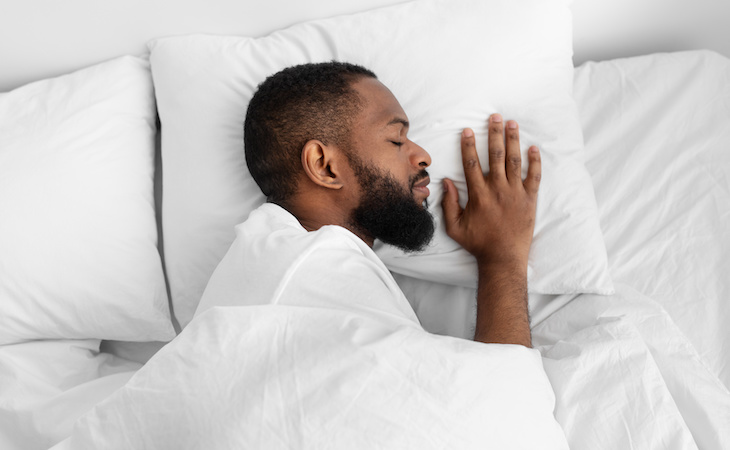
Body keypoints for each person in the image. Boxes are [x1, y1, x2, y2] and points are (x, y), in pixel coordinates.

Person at [196, 61, 541, 348]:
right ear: (324, 165)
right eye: (396, 139)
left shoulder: (266, 262)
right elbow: (507, 402)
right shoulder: (319, 268)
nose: (422, 155)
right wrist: (503, 257)